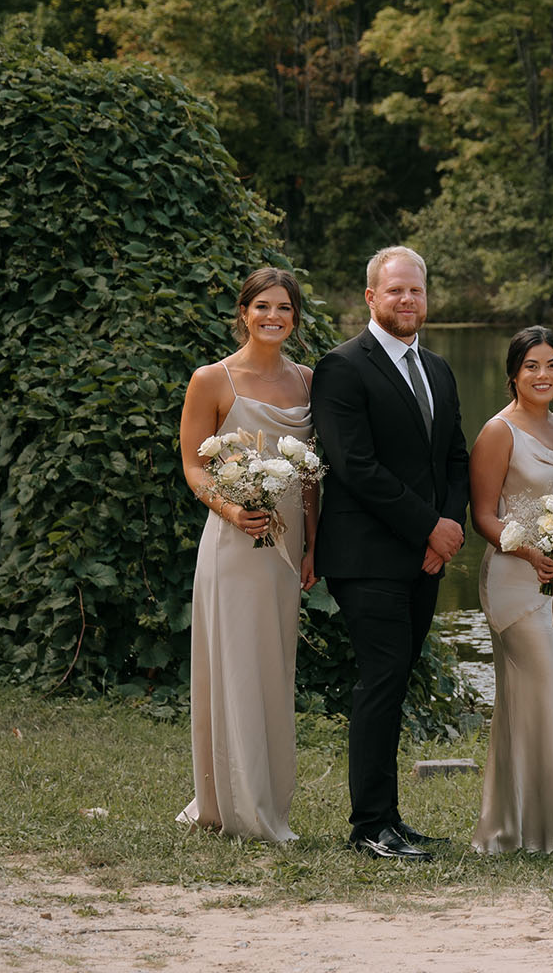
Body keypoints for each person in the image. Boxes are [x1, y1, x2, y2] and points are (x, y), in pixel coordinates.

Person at [312, 246, 469, 861]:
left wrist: (449, 525)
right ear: (371, 297)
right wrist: (427, 526)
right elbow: (354, 467)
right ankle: (369, 826)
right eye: (395, 291)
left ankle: (391, 818)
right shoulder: (342, 367)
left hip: (426, 553)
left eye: (417, 292)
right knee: (381, 679)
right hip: (368, 553)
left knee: (397, 678)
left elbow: (454, 457)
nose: (408, 301)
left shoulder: (437, 368)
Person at [177, 267, 317, 844]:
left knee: (271, 669)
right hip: (233, 545)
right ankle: (233, 806)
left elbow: (312, 480)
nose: (273, 317)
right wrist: (231, 511)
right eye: (263, 306)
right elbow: (192, 465)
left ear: (295, 318)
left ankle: (265, 797)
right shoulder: (212, 380)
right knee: (232, 667)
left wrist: (313, 546)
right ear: (244, 312)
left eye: (284, 308)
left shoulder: (309, 380)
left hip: (286, 551)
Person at [467, 326, 553, 855]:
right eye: (532, 366)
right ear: (513, 373)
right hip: (516, 579)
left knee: (552, 698)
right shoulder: (499, 432)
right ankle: (543, 835)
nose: (543, 375)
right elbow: (483, 515)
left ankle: (526, 826)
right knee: (538, 692)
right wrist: (529, 552)